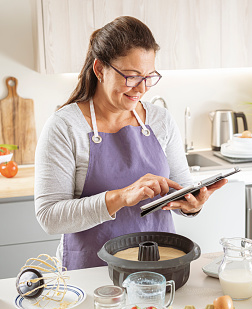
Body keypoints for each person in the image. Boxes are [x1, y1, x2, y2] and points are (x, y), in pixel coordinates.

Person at [34, 16, 226, 270]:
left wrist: (191, 205)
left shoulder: (160, 119)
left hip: (158, 267)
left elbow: (180, 187)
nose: (142, 88)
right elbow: (50, 218)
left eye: (149, 76)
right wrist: (122, 197)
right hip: (93, 273)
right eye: (132, 76)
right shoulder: (65, 127)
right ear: (100, 69)